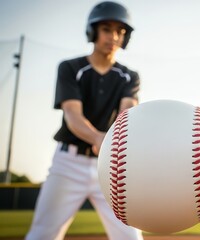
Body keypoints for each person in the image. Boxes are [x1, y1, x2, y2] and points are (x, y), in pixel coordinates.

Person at [26, 2, 143, 239]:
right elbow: (72, 115)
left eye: (120, 31)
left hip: (111, 166)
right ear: (93, 31)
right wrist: (100, 138)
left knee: (129, 236)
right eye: (107, 29)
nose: (114, 36)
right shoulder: (71, 68)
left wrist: (110, 143)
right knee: (43, 234)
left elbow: (126, 114)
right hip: (68, 164)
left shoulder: (129, 76)